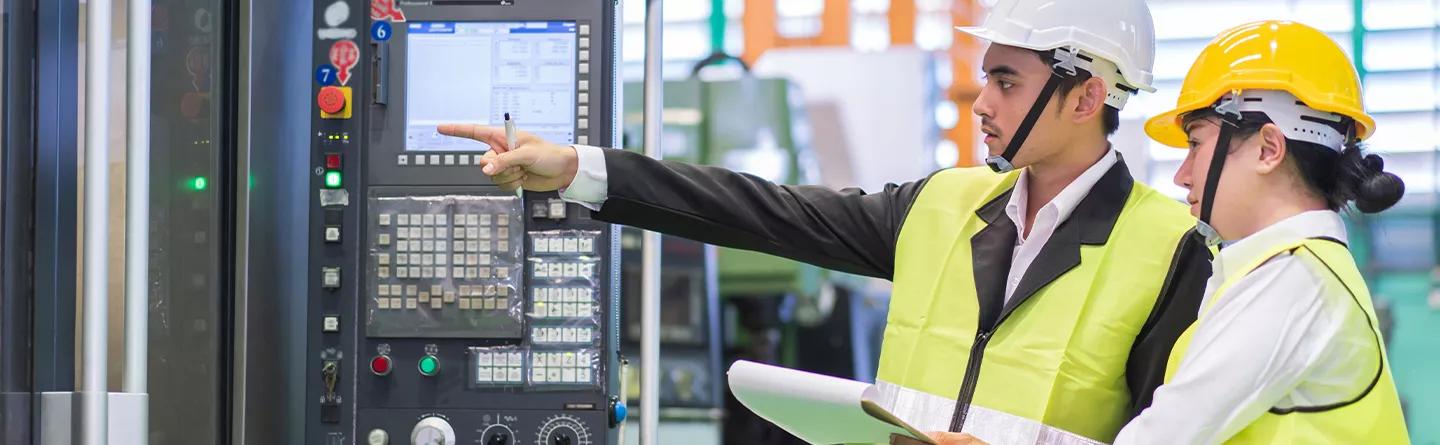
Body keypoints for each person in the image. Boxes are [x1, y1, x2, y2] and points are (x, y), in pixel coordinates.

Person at [440, 1, 1211, 442]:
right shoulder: (942, 203)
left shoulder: (1169, 251)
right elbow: (765, 212)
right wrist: (581, 168)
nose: (981, 103)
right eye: (987, 79)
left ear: (1085, 97)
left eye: (1006, 82)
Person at [1108, 20, 1413, 444]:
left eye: (1195, 144)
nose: (1181, 176)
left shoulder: (1293, 281)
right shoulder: (1290, 270)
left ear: (1268, 149)